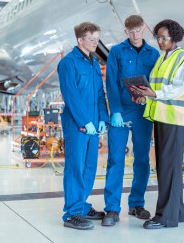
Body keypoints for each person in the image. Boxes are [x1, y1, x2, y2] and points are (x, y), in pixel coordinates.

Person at [130, 19, 184, 230]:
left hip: (173, 118)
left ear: (174, 38)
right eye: (157, 37)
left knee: (168, 168)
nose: (159, 41)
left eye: (163, 38)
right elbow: (155, 88)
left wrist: (154, 94)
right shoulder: (162, 58)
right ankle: (177, 212)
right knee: (167, 167)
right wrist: (144, 96)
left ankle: (165, 217)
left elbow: (178, 87)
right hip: (162, 117)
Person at [102, 15, 159, 227]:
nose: (135, 35)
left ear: (144, 28)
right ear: (126, 31)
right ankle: (112, 209)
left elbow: (155, 84)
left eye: (138, 30)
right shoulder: (116, 51)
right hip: (122, 112)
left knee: (142, 159)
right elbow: (111, 82)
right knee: (115, 159)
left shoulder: (153, 54)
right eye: (131, 31)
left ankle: (136, 203)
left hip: (143, 112)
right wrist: (114, 111)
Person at [57, 22, 109, 230]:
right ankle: (72, 213)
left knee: (89, 168)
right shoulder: (68, 63)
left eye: (97, 38)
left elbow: (99, 94)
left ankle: (82, 205)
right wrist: (84, 121)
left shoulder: (93, 64)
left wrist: (103, 119)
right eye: (92, 39)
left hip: (93, 125)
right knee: (75, 168)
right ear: (80, 40)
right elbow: (71, 95)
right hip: (77, 125)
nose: (96, 42)